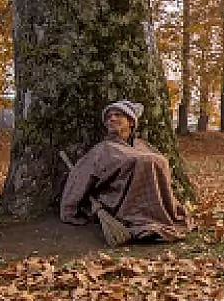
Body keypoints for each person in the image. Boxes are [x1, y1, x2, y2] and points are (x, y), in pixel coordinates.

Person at [60, 100, 190, 242]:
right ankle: (142, 223)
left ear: (131, 122)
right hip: (118, 200)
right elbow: (80, 177)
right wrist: (70, 210)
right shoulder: (102, 149)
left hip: (157, 204)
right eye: (109, 117)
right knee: (144, 162)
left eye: (118, 115)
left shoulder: (142, 146)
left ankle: (158, 219)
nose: (112, 119)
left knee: (155, 160)